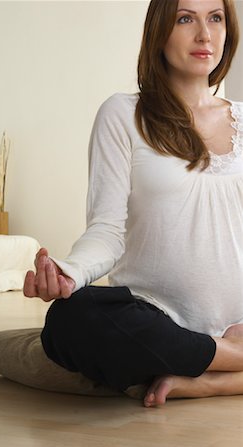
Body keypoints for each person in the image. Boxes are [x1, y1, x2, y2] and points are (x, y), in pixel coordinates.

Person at [24, 0, 243, 407]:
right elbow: (107, 230)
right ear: (160, 30)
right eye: (185, 19)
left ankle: (211, 380)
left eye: (215, 18)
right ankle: (228, 358)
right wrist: (68, 272)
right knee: (69, 322)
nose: (204, 34)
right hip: (157, 319)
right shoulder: (123, 114)